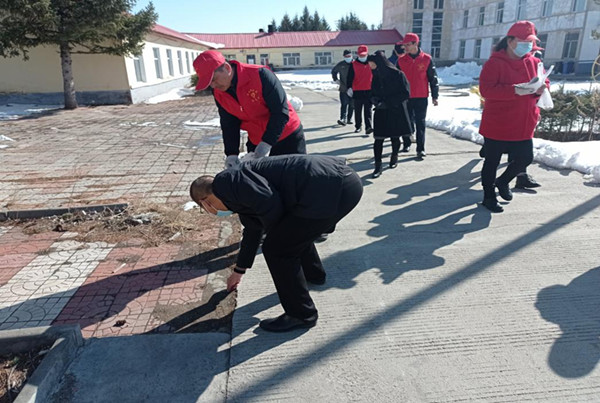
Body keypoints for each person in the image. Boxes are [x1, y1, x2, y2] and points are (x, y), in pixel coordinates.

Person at [189, 155, 363, 332]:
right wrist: (239, 270)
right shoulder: (234, 190)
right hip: (341, 183)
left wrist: (279, 238)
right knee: (293, 235)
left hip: (332, 189)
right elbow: (252, 231)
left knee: (277, 249)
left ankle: (301, 315)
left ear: (205, 203)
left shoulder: (226, 184)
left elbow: (269, 201)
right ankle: (314, 274)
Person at [478, 20, 549, 213]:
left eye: (530, 42)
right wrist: (515, 91)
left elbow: (544, 82)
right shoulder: (494, 63)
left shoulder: (534, 62)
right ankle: (488, 196)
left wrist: (540, 89)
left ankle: (503, 181)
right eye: (523, 41)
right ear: (510, 41)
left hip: (523, 121)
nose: (528, 46)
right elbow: (486, 90)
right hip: (498, 123)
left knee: (525, 158)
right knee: (492, 161)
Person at [192, 50, 306, 169]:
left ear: (227, 68)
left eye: (214, 79)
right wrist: (231, 154)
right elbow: (229, 123)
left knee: (293, 177)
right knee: (258, 179)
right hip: (256, 141)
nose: (213, 85)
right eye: (209, 82)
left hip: (286, 135)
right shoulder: (218, 92)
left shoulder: (260, 75)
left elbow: (280, 112)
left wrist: (267, 143)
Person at [367, 52, 413, 178]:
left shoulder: (398, 74)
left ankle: (394, 156)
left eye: (372, 65)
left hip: (395, 110)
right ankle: (378, 166)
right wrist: (374, 100)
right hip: (381, 110)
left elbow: (405, 93)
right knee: (378, 139)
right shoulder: (376, 76)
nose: (371, 68)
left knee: (395, 137)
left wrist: (389, 103)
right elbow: (372, 92)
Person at [397, 33, 439, 159]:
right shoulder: (401, 61)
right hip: (405, 97)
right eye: (404, 45)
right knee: (406, 121)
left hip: (421, 96)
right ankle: (406, 143)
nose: (405, 47)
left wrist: (435, 95)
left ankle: (420, 148)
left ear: (415, 44)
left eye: (407, 45)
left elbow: (433, 78)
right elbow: (396, 79)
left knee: (420, 123)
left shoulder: (426, 59)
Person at [346, 45, 373, 135]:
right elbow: (349, 77)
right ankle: (358, 126)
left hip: (369, 90)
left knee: (368, 110)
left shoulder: (371, 63)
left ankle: (368, 127)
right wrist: (349, 87)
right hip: (357, 91)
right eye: (360, 55)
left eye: (364, 55)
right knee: (358, 110)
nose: (362, 56)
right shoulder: (353, 64)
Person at [331, 49, 355, 126]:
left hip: (354, 88)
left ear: (352, 56)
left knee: (352, 104)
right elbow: (334, 71)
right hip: (343, 88)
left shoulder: (355, 64)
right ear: (344, 57)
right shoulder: (341, 65)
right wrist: (335, 79)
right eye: (346, 56)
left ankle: (349, 119)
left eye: (349, 56)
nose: (348, 57)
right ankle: (343, 119)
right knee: (344, 104)